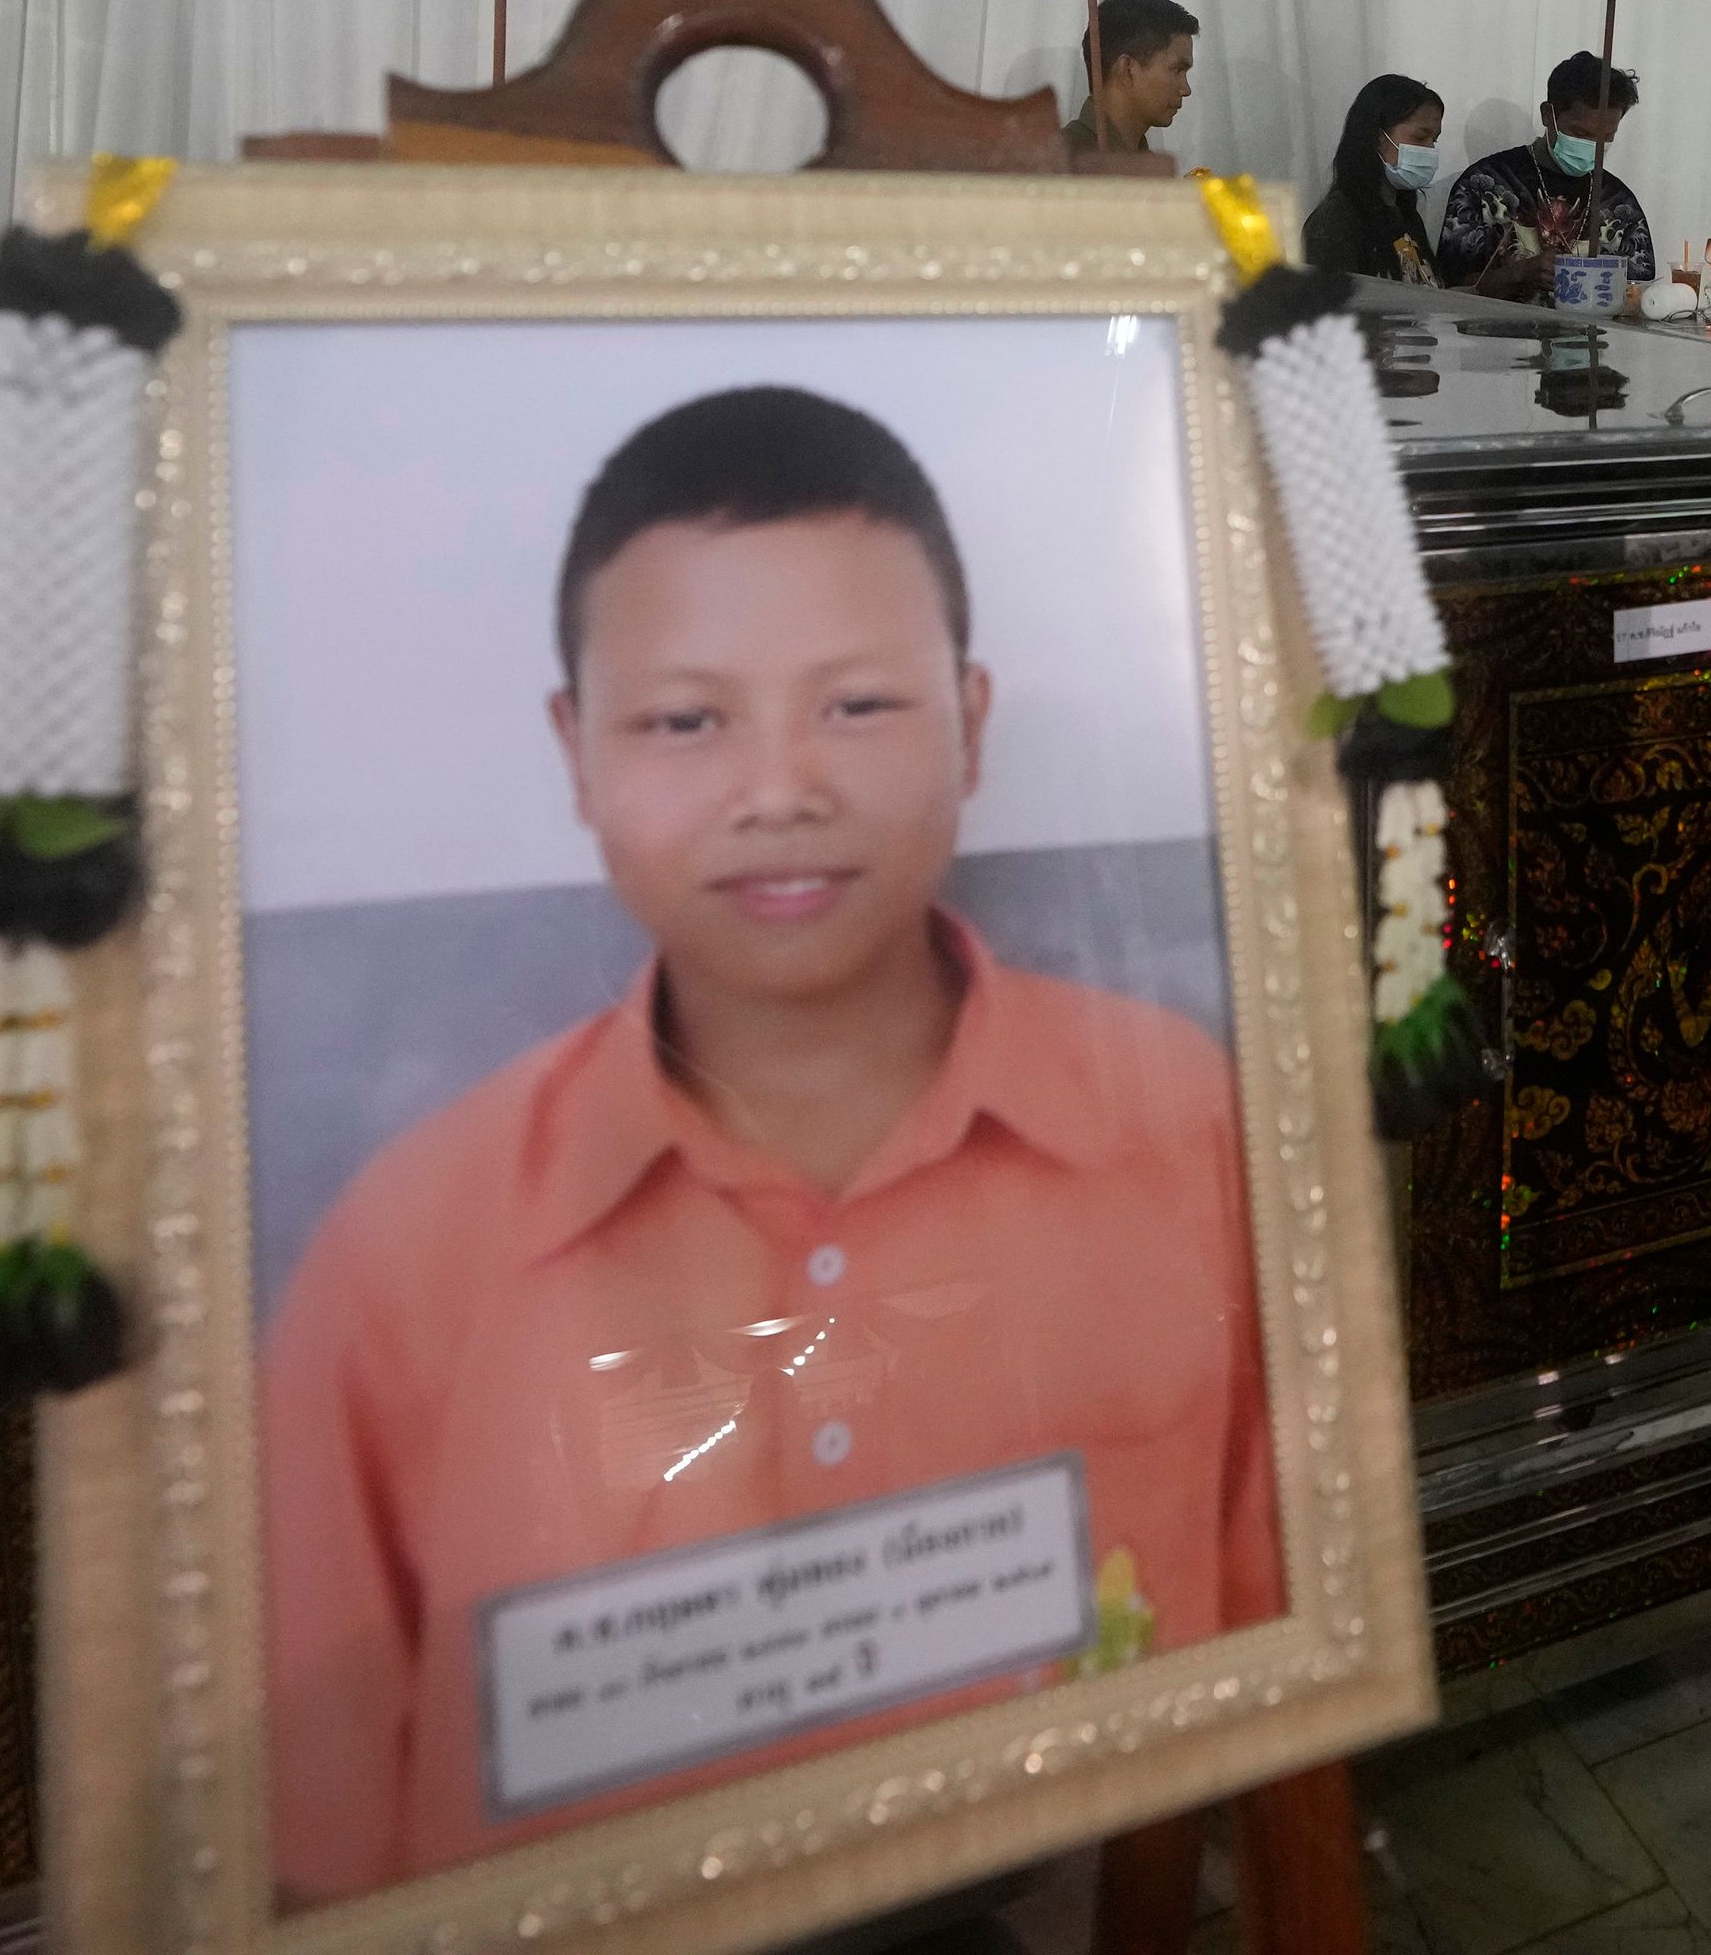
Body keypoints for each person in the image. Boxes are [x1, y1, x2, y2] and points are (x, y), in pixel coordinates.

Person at [260, 386, 1279, 1901]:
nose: (782, 787)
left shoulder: (1184, 1122)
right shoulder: (404, 1256)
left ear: (974, 722)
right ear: (577, 751)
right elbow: (319, 1846)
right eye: (686, 720)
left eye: (858, 705)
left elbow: (1274, 1653)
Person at [1436, 52, 1655, 302]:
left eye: (1607, 137)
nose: (1594, 147)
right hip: (1497, 336)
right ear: (1547, 115)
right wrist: (1518, 274)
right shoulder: (1486, 184)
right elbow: (1449, 288)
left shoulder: (1617, 202)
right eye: (1580, 133)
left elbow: (1639, 294)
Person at [1303, 74, 1446, 282]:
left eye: (1434, 140)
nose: (1430, 149)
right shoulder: (1334, 226)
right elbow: (1337, 310)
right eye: (1420, 137)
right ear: (1377, 137)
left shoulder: (1404, 213)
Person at [1067, 0, 1197, 157]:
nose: (1186, 89)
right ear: (1127, 70)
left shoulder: (1146, 165)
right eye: (1177, 69)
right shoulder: (1059, 167)